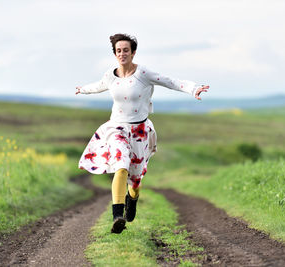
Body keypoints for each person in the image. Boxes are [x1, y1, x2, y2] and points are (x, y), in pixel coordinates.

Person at [76, 33, 209, 234]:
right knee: (120, 165)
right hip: (117, 128)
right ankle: (117, 216)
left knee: (135, 180)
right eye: (118, 51)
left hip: (139, 132)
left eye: (126, 50)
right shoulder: (110, 75)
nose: (122, 54)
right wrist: (82, 89)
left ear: (133, 52)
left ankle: (133, 198)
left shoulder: (143, 74)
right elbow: (98, 86)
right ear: (114, 54)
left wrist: (193, 89)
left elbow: (169, 81)